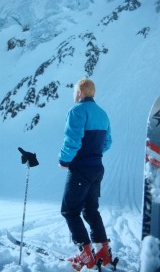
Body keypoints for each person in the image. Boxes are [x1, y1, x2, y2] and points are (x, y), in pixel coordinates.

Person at [58, 78, 112, 271]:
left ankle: (86, 255)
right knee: (90, 210)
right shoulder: (103, 114)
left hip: (80, 169)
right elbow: (107, 142)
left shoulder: (77, 111)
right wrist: (93, 154)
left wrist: (64, 161)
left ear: (80, 92)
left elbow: (72, 140)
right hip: (97, 168)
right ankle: (103, 252)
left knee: (69, 210)